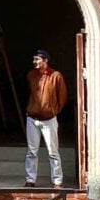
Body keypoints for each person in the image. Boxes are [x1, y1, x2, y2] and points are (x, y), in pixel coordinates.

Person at [24, 49, 68, 188]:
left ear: (45, 60)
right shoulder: (31, 75)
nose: (34, 62)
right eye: (34, 59)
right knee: (32, 151)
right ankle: (30, 180)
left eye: (37, 59)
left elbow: (62, 97)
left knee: (53, 151)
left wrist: (53, 110)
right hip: (32, 118)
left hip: (49, 119)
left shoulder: (56, 76)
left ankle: (57, 181)